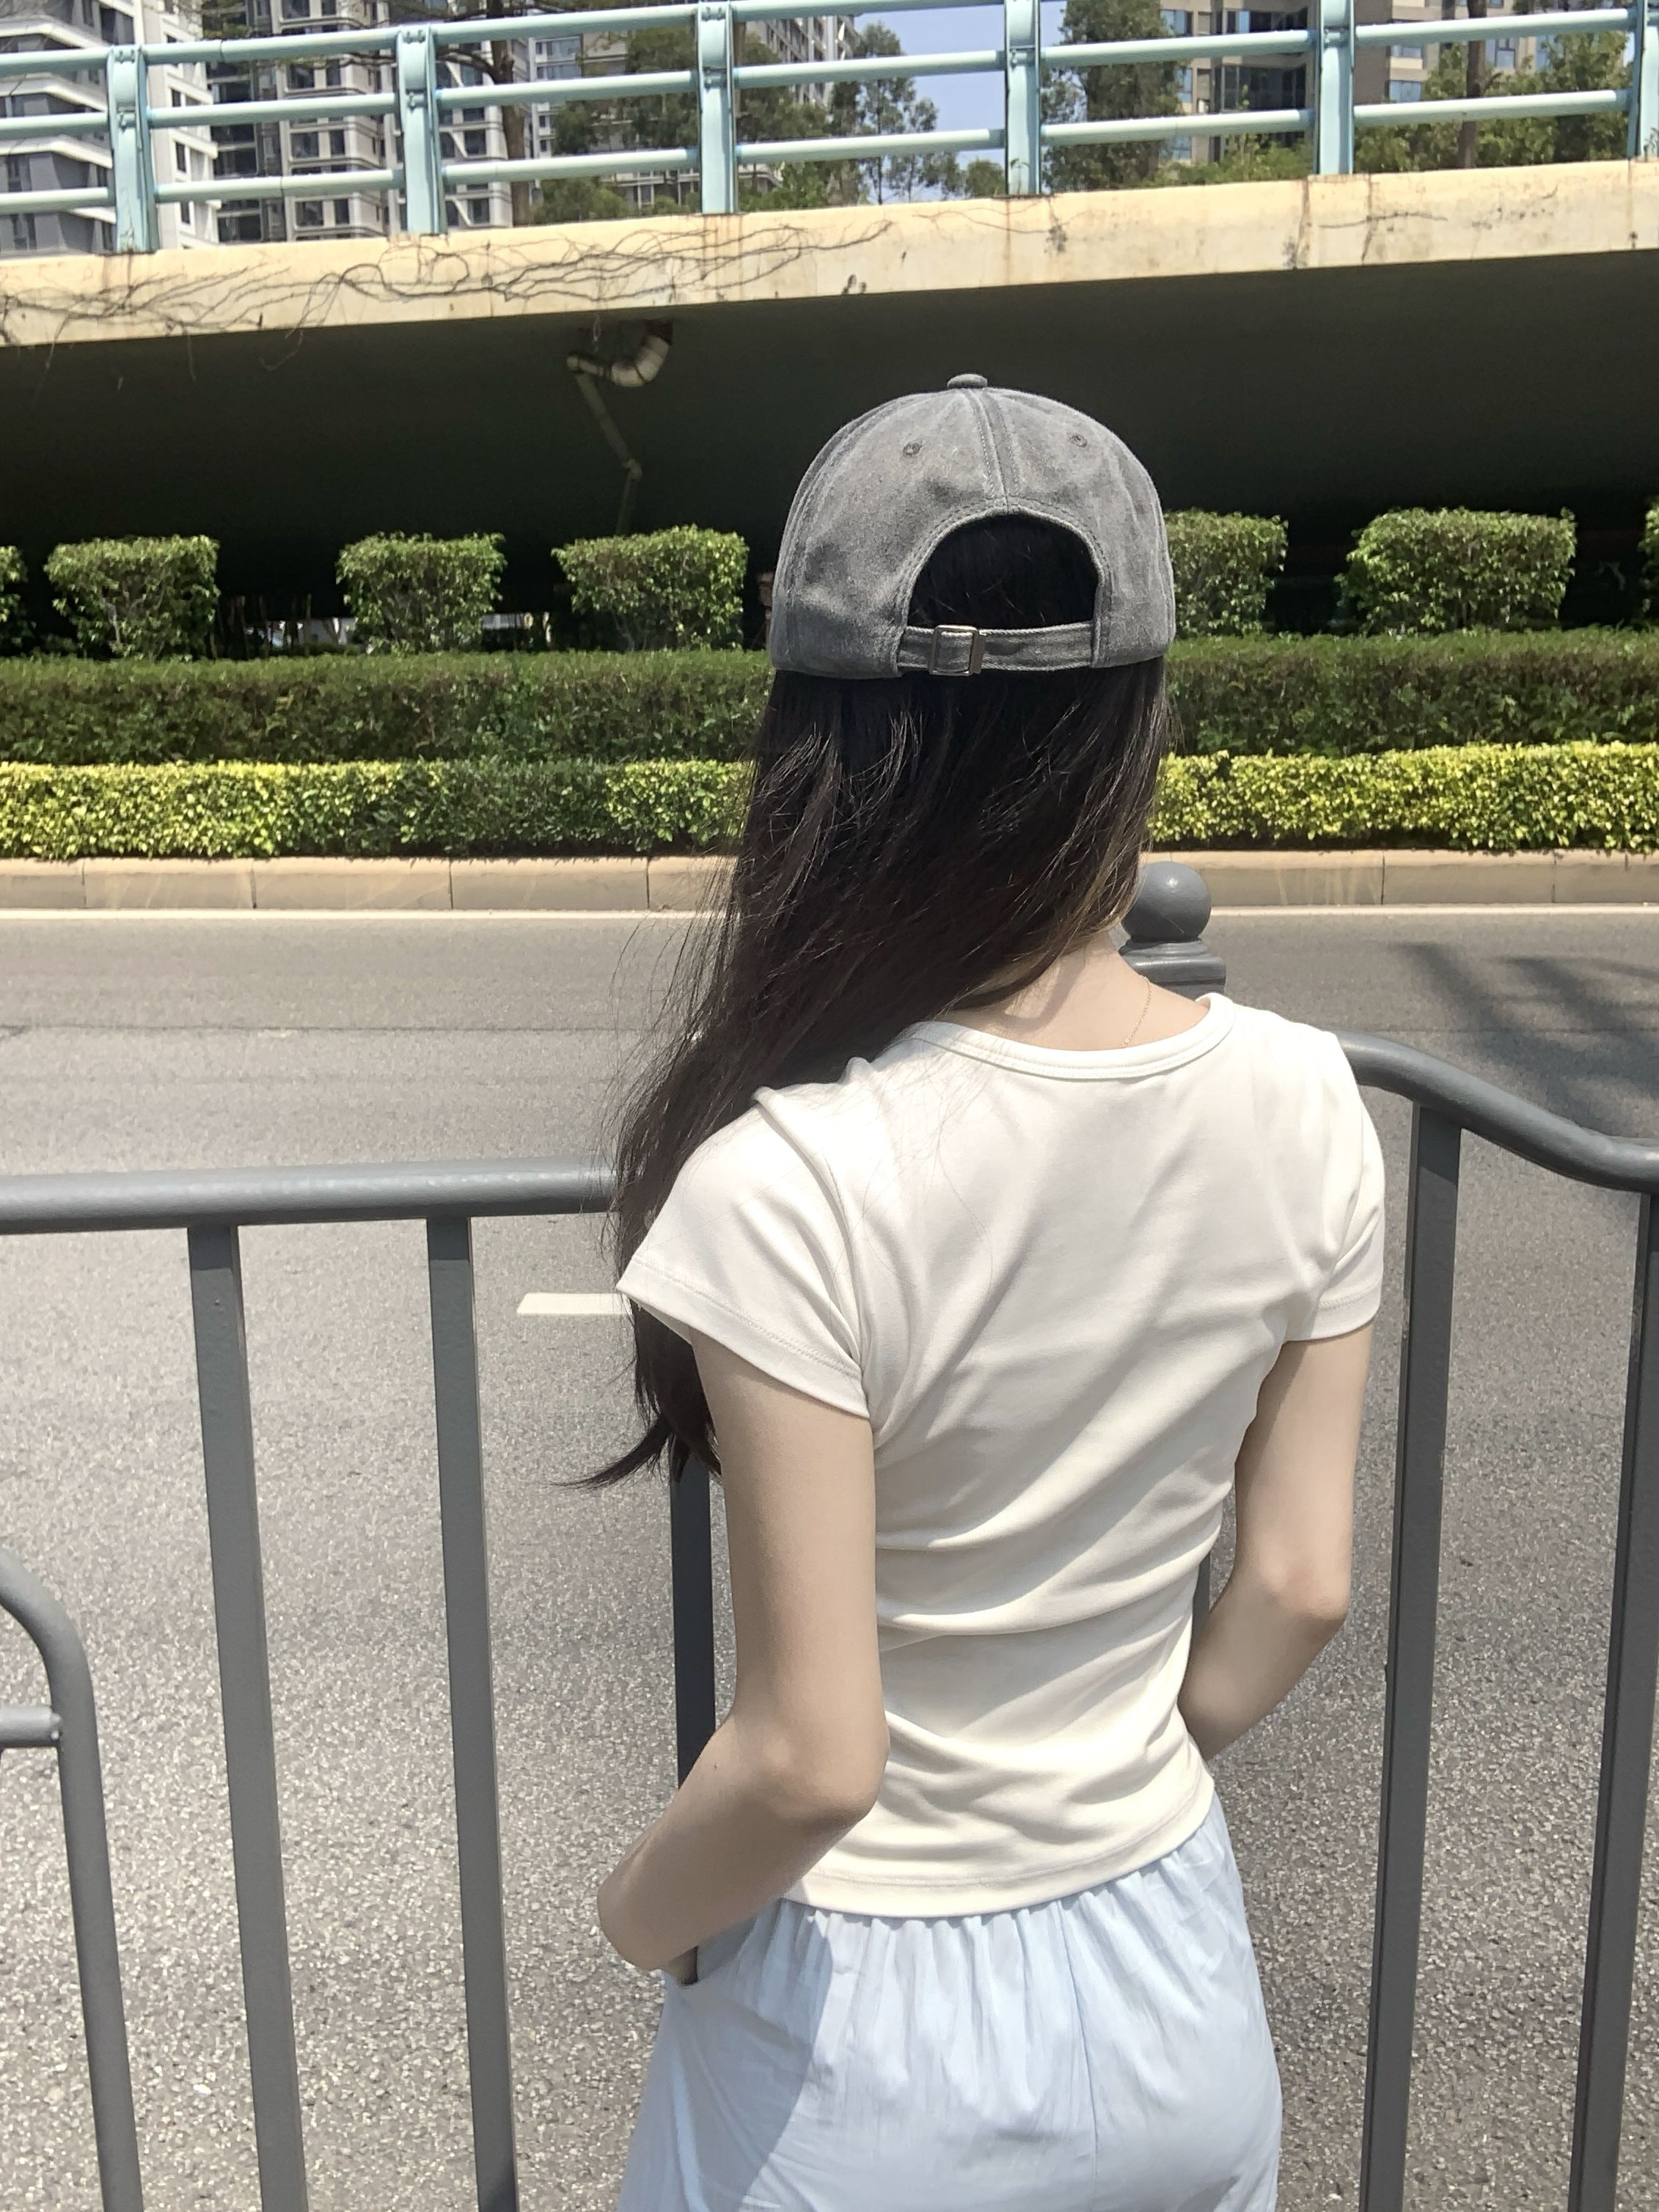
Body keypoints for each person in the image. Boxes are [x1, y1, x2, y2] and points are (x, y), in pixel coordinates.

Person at [590, 376, 1384, 2212]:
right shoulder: (1304, 1094)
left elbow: (811, 1757)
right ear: (1136, 723)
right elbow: (1298, 1581)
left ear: (822, 750)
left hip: (867, 2029)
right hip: (1170, 1951)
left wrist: (639, 1915)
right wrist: (1118, 1778)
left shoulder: (792, 1178)